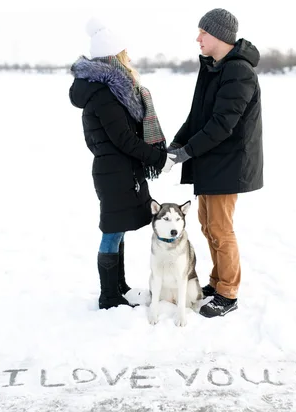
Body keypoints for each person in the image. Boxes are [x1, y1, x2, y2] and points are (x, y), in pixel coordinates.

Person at [164, 8, 263, 318]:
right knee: (209, 225)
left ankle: (228, 293)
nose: (198, 38)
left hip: (228, 163)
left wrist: (186, 153)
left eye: (202, 33)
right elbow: (197, 117)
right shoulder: (213, 68)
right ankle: (217, 283)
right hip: (212, 160)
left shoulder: (238, 71)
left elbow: (222, 125)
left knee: (221, 229)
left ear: (219, 35)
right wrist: (178, 144)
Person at [69, 18, 174, 310]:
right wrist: (158, 158)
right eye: (124, 53)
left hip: (121, 170)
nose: (129, 58)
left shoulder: (110, 91)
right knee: (112, 231)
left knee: (119, 229)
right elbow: (123, 140)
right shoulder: (104, 95)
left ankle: (119, 286)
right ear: (115, 56)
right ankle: (109, 297)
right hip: (114, 172)